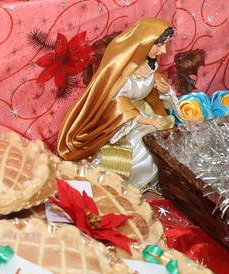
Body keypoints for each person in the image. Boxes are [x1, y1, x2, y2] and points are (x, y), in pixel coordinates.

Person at [56, 17, 178, 188]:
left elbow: (154, 95)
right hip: (121, 119)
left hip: (145, 111)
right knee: (142, 144)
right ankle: (127, 183)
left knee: (167, 138)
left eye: (165, 44)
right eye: (159, 45)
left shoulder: (151, 66)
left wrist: (165, 93)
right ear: (145, 43)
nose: (163, 50)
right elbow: (116, 100)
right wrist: (142, 120)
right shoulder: (124, 70)